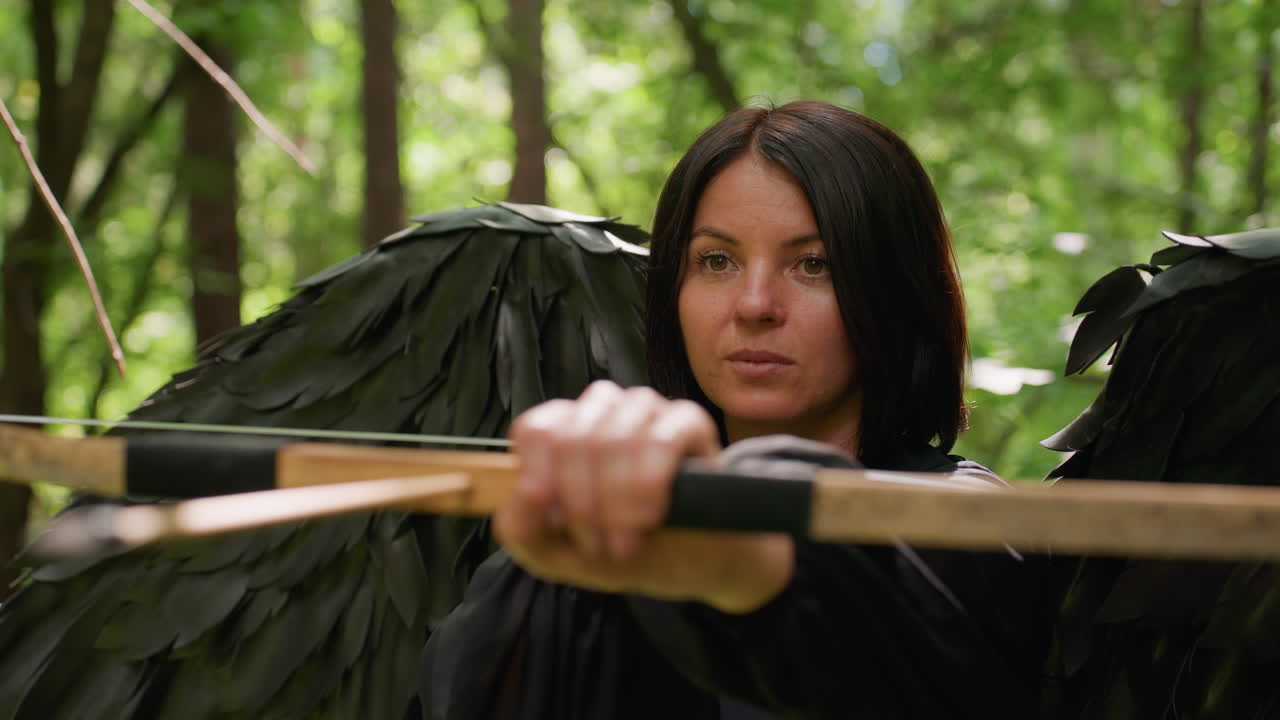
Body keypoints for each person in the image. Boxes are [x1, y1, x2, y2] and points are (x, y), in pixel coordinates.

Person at [420, 101, 1046, 719]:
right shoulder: (595, 530)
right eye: (716, 261)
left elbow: (877, 610)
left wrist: (732, 553)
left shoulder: (973, 523)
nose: (754, 304)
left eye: (813, 264)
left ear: (894, 293)